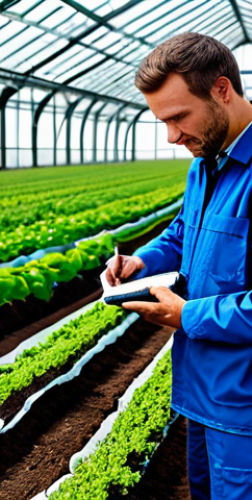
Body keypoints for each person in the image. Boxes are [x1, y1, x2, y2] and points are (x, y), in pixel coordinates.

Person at [105, 32, 252, 500]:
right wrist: (142, 260)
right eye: (161, 122)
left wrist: (185, 315)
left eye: (178, 117)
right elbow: (184, 231)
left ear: (222, 90)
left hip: (245, 411)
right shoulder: (204, 163)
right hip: (200, 393)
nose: (172, 136)